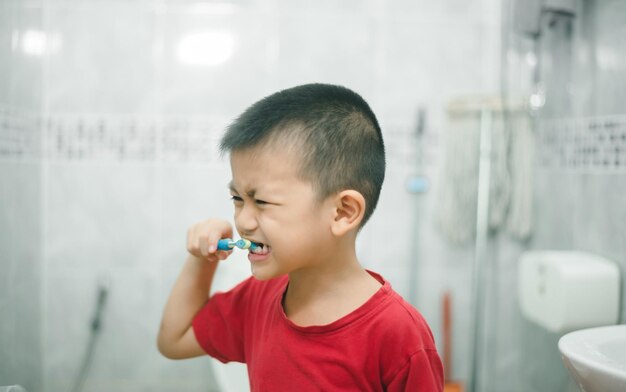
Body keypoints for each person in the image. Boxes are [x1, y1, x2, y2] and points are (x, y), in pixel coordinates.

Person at [157, 83, 443, 391]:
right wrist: (202, 259)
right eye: (237, 199)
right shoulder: (258, 298)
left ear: (342, 212)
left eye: (262, 201)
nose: (242, 220)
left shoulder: (398, 334)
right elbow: (174, 340)